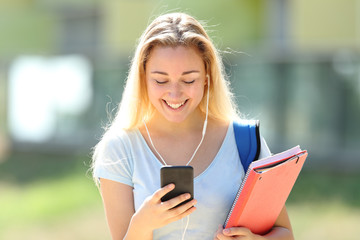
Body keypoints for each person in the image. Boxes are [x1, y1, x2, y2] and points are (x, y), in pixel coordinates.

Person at [92, 12, 294, 240]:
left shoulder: (244, 141)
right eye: (160, 80)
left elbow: (285, 234)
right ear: (143, 77)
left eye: (189, 80)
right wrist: (142, 224)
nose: (175, 93)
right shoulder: (119, 148)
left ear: (207, 77)